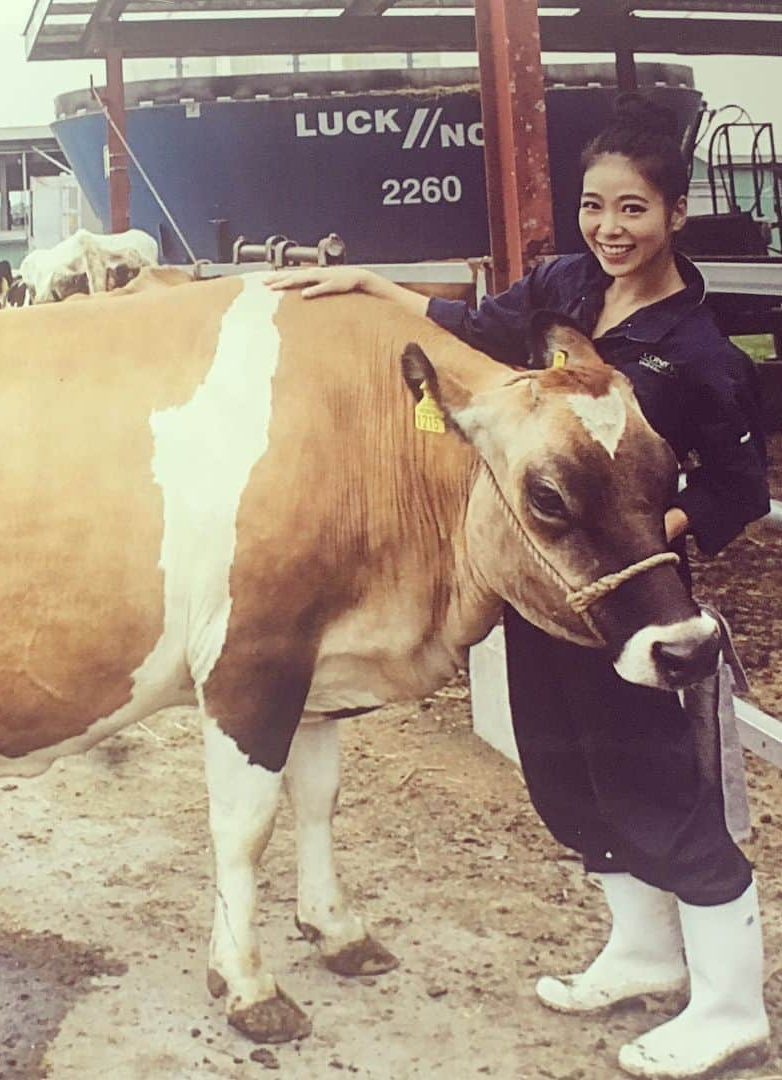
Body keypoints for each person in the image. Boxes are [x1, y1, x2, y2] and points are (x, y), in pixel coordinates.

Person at [266, 95, 771, 1079]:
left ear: (674, 213)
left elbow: (737, 488)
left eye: (633, 210)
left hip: (638, 611)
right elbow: (471, 322)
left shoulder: (700, 352)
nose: (610, 229)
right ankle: (640, 952)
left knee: (664, 795)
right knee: (570, 780)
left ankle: (730, 1008)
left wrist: (660, 525)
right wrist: (369, 282)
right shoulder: (562, 294)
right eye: (594, 207)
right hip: (545, 596)